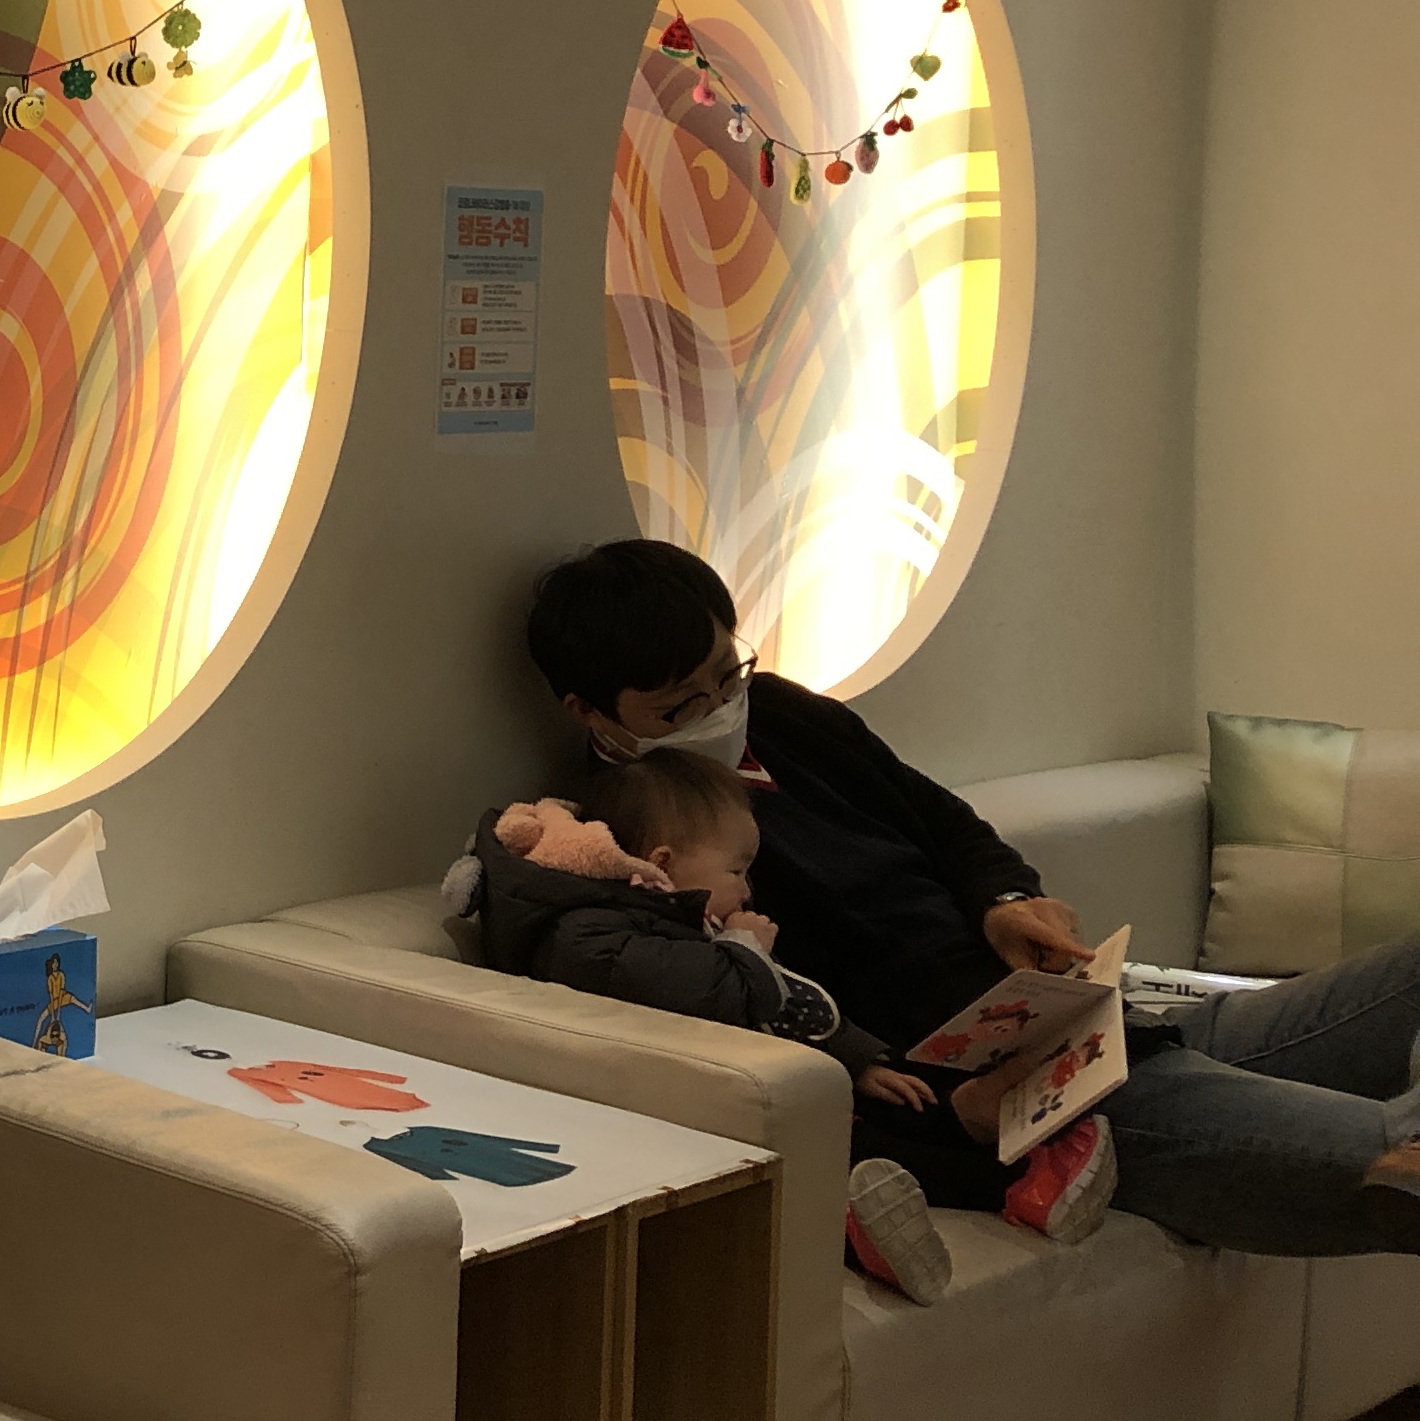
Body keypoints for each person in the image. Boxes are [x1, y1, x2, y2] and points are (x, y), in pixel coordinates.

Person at [524, 539, 1420, 1259]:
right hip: (1028, 1097)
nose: (722, 708)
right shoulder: (630, 849)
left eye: (729, 674)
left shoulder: (787, 717)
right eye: (681, 706)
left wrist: (1004, 899)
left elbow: (949, 826)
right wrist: (950, 1118)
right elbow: (753, 1049)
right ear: (590, 711)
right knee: (1393, 1167)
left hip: (1098, 1022)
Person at [470, 745, 1112, 1300]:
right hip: (715, 1113)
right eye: (737, 871)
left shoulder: (671, 916)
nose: (748, 890)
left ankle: (989, 1139)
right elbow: (718, 992)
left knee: (898, 1100)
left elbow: (789, 1002)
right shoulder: (590, 934)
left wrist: (857, 1058)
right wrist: (747, 948)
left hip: (774, 1083)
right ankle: (980, 1194)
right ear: (662, 862)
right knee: (861, 1148)